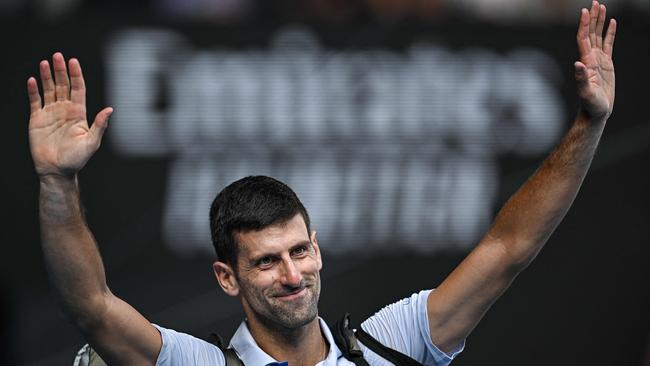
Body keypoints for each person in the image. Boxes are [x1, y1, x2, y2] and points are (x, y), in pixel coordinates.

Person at [27, 2, 616, 365]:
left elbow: (508, 248)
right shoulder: (198, 364)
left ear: (317, 248)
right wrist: (58, 180)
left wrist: (589, 124)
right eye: (265, 262)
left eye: (299, 250)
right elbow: (91, 307)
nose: (292, 276)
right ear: (226, 278)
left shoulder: (388, 346)